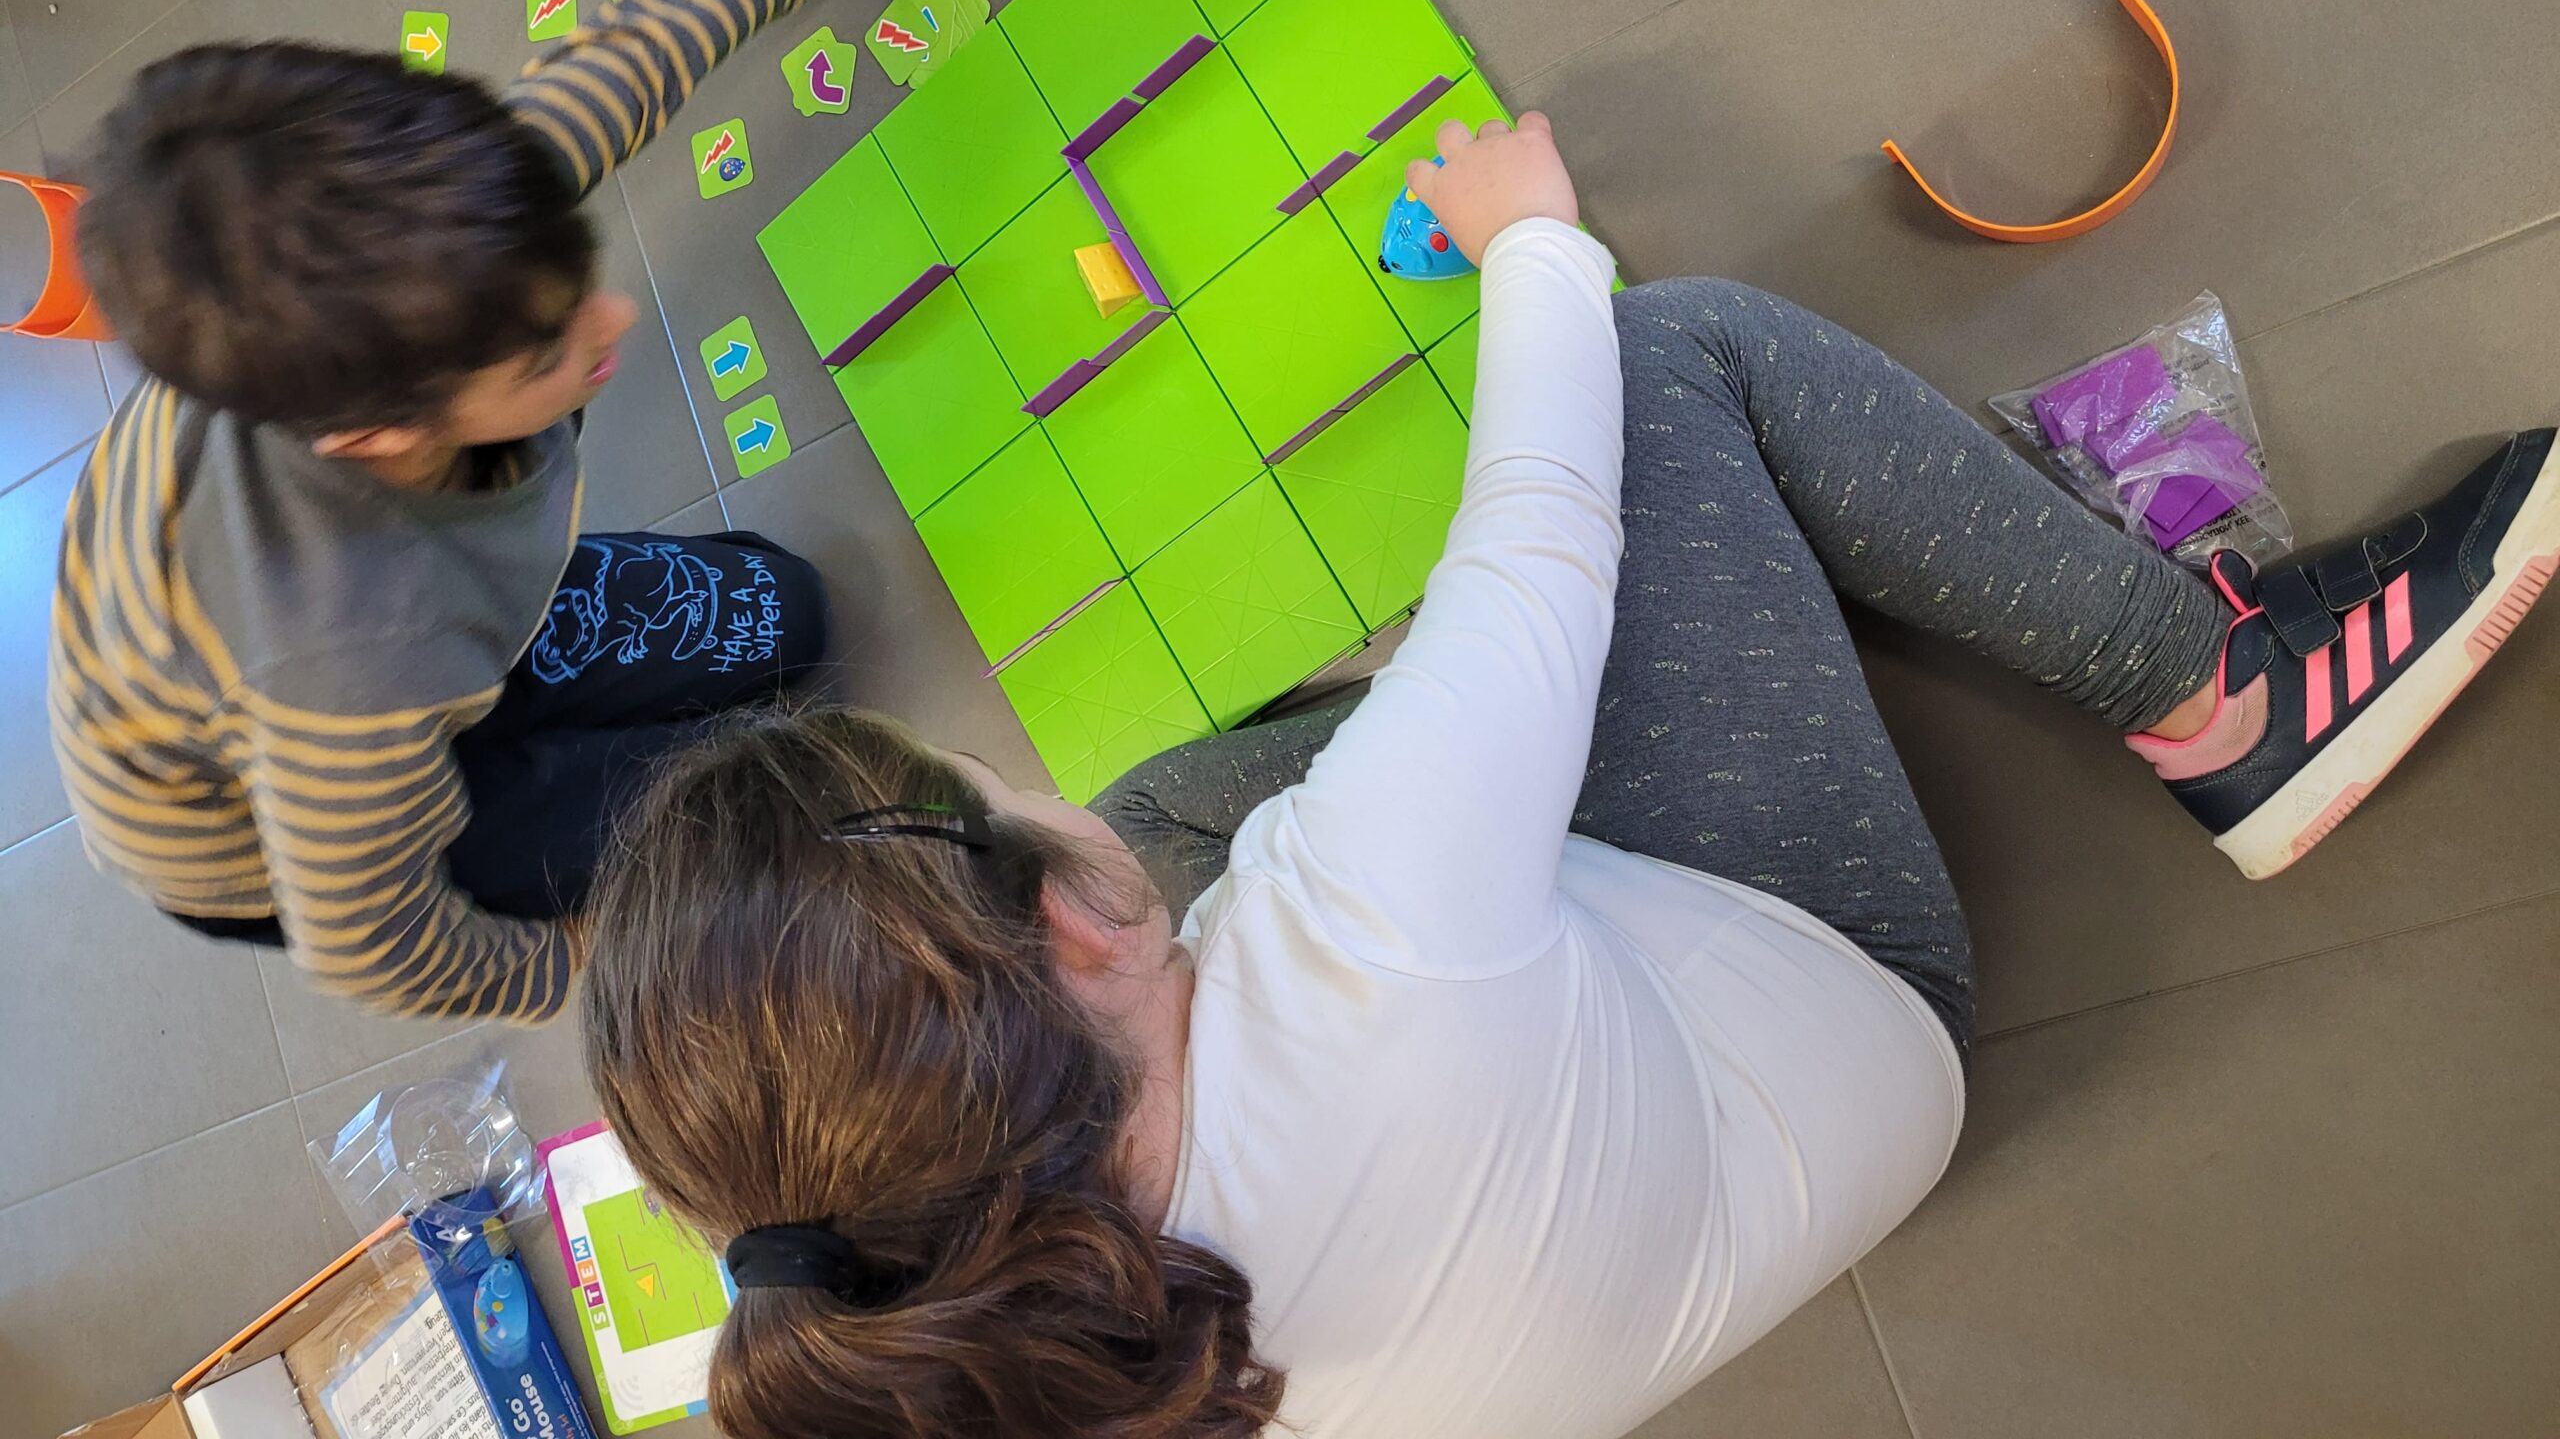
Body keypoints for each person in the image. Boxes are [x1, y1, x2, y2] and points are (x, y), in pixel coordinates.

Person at [578, 112, 2555, 1439]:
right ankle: (2232, 704)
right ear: (1075, 940)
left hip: (1608, 1253)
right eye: (993, 786)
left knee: (1175, 795)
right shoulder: (1354, 915)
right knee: (1674, 360)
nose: (1026, 777)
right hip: (1841, 1011)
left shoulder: (989, 1367)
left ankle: (1470, 732)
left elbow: (1207, 900)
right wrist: (1530, 233)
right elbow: (1542, 523)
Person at [47, 0, 1024, 1023]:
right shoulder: (348, 666)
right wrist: (568, 955)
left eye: (575, 282)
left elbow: (641, 51)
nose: (613, 323)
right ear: (380, 434)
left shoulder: (455, 238)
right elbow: (373, 944)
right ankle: (533, 780)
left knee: (790, 619)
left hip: (417, 626)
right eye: (543, 354)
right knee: (739, 819)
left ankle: (511, 681)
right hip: (262, 806)